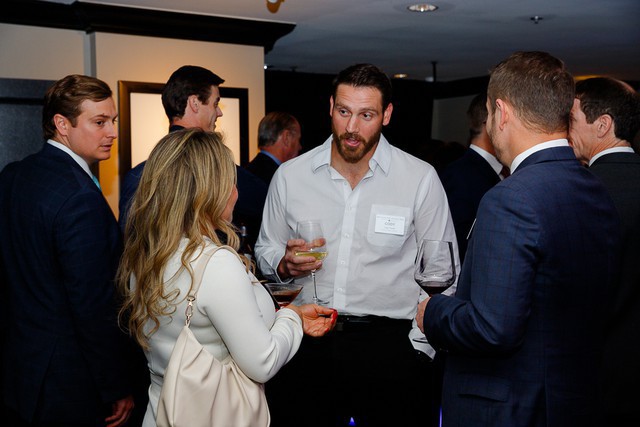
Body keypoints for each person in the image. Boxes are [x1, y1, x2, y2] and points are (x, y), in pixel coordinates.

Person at [416, 51, 621, 427]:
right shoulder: (594, 188)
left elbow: (492, 329)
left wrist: (434, 313)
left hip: (507, 408)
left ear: (501, 112)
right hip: (570, 401)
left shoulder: (511, 197)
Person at [255, 63, 459, 427]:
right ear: (330, 107)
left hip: (391, 348)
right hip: (307, 343)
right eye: (344, 112)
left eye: (366, 115)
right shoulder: (290, 176)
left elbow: (443, 272)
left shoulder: (419, 179)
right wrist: (284, 265)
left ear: (387, 115)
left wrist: (419, 349)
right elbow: (265, 249)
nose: (352, 127)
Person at [117, 128, 336, 426]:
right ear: (210, 191)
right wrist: (293, 318)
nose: (236, 193)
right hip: (212, 414)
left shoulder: (144, 254)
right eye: (230, 183)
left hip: (161, 413)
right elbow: (263, 362)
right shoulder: (215, 263)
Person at [0, 74, 134, 427]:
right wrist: (115, 384)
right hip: (68, 382)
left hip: (21, 368)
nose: (112, 132)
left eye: (113, 121)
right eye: (99, 122)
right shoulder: (80, 198)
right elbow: (91, 304)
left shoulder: (13, 175)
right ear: (62, 125)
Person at [118, 65, 267, 239]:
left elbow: (129, 242)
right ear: (194, 103)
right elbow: (265, 200)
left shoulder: (138, 175)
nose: (219, 112)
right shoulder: (218, 171)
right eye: (215, 103)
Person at [568, 76, 640, 427]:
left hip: (596, 374)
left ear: (603, 125)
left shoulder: (581, 192)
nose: (565, 130)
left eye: (571, 120)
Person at [439, 93, 506, 261]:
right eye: (505, 121)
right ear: (489, 124)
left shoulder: (498, 171)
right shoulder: (459, 176)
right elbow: (456, 244)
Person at [246, 111, 302, 185]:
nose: (300, 147)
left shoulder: (246, 173)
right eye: (298, 139)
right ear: (287, 138)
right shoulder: (281, 178)